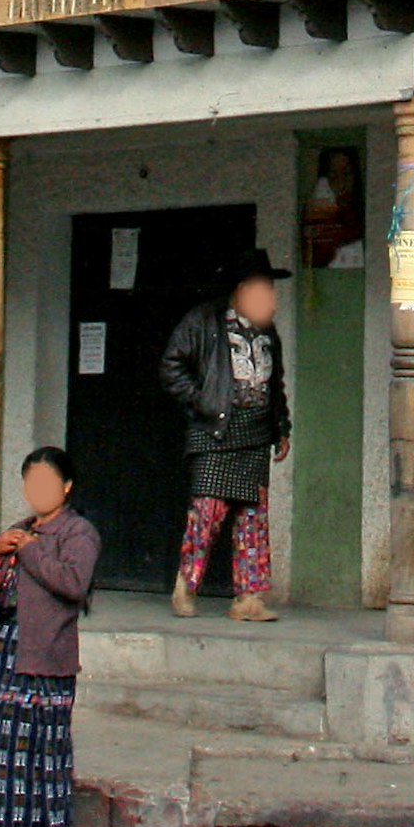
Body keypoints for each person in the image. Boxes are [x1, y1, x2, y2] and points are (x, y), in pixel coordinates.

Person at [0, 445, 101, 827]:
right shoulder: (21, 528)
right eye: (31, 482)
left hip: (48, 651)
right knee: (1, 739)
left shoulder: (80, 534)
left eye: (47, 482)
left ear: (67, 486)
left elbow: (73, 583)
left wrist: (29, 550)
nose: (38, 491)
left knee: (44, 742)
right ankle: (14, 825)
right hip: (8, 649)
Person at [159, 259, 290, 622]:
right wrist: (203, 400)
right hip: (214, 433)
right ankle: (186, 586)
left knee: (253, 520)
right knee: (206, 515)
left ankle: (249, 598)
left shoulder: (268, 330)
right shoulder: (202, 321)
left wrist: (282, 427)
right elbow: (172, 366)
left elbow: (274, 382)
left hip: (255, 435)